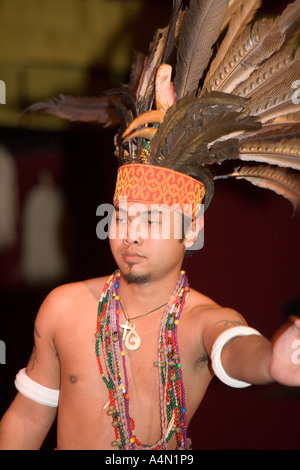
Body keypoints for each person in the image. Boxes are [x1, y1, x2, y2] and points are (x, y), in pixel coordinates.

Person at [1, 0, 300, 450]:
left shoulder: (200, 322)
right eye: (121, 216)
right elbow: (26, 418)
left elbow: (235, 348)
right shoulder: (62, 309)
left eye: (153, 218)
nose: (131, 233)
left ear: (191, 225)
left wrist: (272, 362)